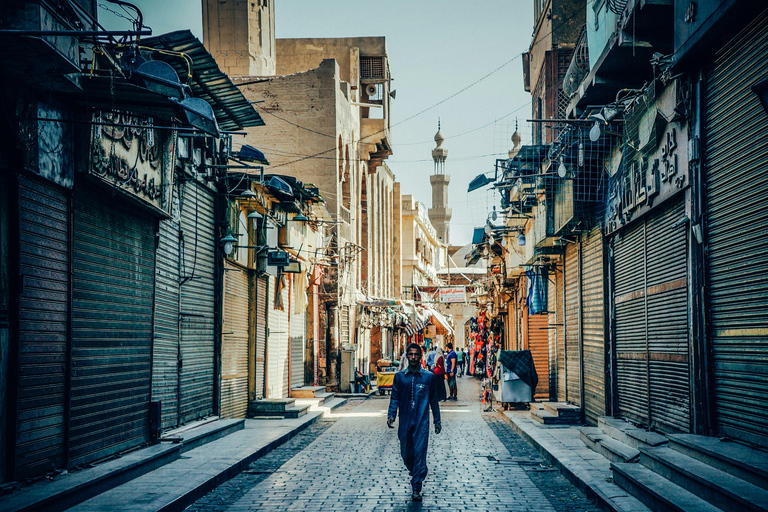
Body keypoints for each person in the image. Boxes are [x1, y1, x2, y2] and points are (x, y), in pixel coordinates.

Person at [387, 343, 442, 501]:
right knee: (406, 453)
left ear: (420, 356)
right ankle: (419, 470)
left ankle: (416, 487)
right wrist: (391, 415)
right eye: (410, 354)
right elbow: (395, 398)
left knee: (419, 454)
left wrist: (437, 420)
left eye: (416, 354)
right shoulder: (399, 377)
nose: (413, 357)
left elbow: (434, 400)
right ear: (406, 356)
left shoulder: (428, 377)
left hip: (421, 423)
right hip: (405, 421)